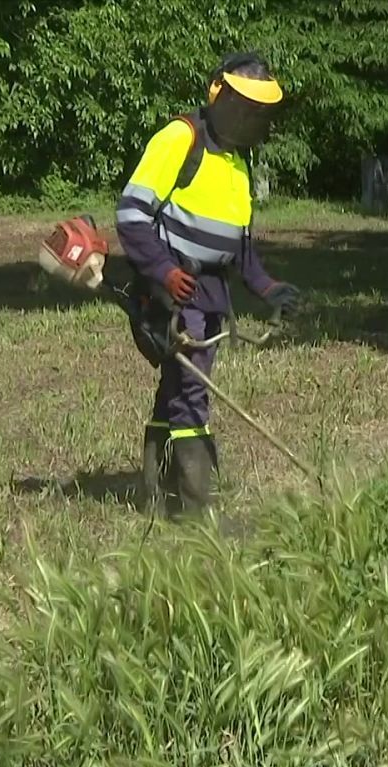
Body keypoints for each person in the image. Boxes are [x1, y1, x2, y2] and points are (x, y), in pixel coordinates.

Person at [114, 51, 301, 519]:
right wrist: (164, 272)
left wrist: (269, 289)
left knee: (176, 389)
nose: (250, 119)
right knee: (191, 394)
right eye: (244, 107)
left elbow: (240, 250)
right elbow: (132, 215)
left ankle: (157, 494)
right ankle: (196, 514)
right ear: (218, 93)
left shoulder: (237, 163)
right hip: (172, 295)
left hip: (210, 297)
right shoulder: (182, 138)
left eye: (259, 113)